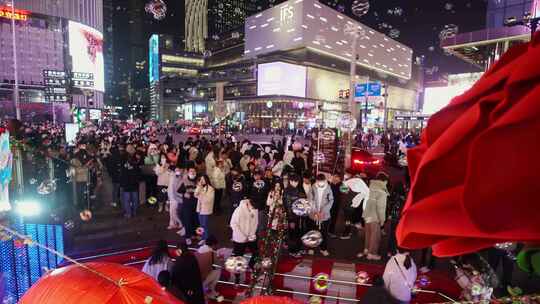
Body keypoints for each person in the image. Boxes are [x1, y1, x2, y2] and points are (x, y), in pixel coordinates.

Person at [359, 172, 389, 260]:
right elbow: (381, 207)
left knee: (368, 233)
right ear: (384, 181)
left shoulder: (370, 187)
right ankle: (372, 253)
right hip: (375, 216)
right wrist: (382, 219)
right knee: (375, 235)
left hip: (367, 213)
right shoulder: (382, 192)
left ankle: (366, 249)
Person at [307, 174, 334, 257]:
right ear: (316, 181)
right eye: (319, 182)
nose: (321, 183)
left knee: (324, 232)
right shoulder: (313, 188)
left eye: (322, 182)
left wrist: (323, 211)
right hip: (313, 214)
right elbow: (310, 200)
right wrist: (315, 211)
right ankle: (311, 247)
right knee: (313, 232)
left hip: (324, 215)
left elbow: (331, 200)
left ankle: (323, 248)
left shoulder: (328, 188)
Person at [230, 199, 259, 270]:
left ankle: (252, 266)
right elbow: (233, 224)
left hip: (250, 237)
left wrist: (252, 235)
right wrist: (242, 236)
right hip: (239, 239)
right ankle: (237, 274)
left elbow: (255, 224)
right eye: (253, 207)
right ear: (248, 203)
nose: (254, 208)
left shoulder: (255, 210)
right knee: (239, 257)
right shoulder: (239, 210)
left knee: (256, 253)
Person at [196, 235, 222, 300]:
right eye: (216, 245)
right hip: (202, 277)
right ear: (213, 244)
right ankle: (210, 288)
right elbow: (219, 264)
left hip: (196, 273)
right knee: (218, 270)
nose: (217, 246)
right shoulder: (212, 253)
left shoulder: (201, 248)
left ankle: (208, 288)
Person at [178, 166, 199, 244]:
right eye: (191, 171)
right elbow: (179, 190)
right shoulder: (184, 181)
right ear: (188, 172)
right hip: (187, 205)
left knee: (196, 220)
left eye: (194, 171)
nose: (192, 173)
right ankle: (188, 237)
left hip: (197, 204)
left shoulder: (199, 180)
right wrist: (185, 193)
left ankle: (196, 235)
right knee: (188, 221)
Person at [120, 149, 141, 218]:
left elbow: (122, 175)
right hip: (134, 184)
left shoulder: (123, 166)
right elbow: (138, 174)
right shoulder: (135, 165)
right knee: (135, 199)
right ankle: (134, 212)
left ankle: (128, 213)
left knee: (127, 200)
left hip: (126, 184)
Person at [195, 175, 215, 243]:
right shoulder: (200, 187)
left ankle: (205, 239)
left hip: (206, 209)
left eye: (203, 179)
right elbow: (195, 194)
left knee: (205, 225)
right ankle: (202, 237)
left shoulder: (210, 188)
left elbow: (208, 199)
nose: (202, 181)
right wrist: (199, 187)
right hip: (199, 209)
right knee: (201, 224)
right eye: (201, 179)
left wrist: (200, 195)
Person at [167, 166, 184, 231]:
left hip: (176, 198)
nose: (178, 171)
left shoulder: (178, 178)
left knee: (173, 212)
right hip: (171, 197)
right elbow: (169, 188)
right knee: (171, 212)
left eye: (178, 170)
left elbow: (177, 188)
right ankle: (172, 224)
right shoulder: (171, 177)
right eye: (176, 170)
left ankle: (180, 223)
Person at [328, 173, 343, 238]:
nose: (335, 179)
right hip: (329, 204)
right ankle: (327, 231)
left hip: (337, 205)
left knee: (334, 218)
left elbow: (346, 191)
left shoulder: (341, 185)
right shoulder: (330, 185)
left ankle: (331, 231)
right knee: (328, 218)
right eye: (334, 177)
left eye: (337, 177)